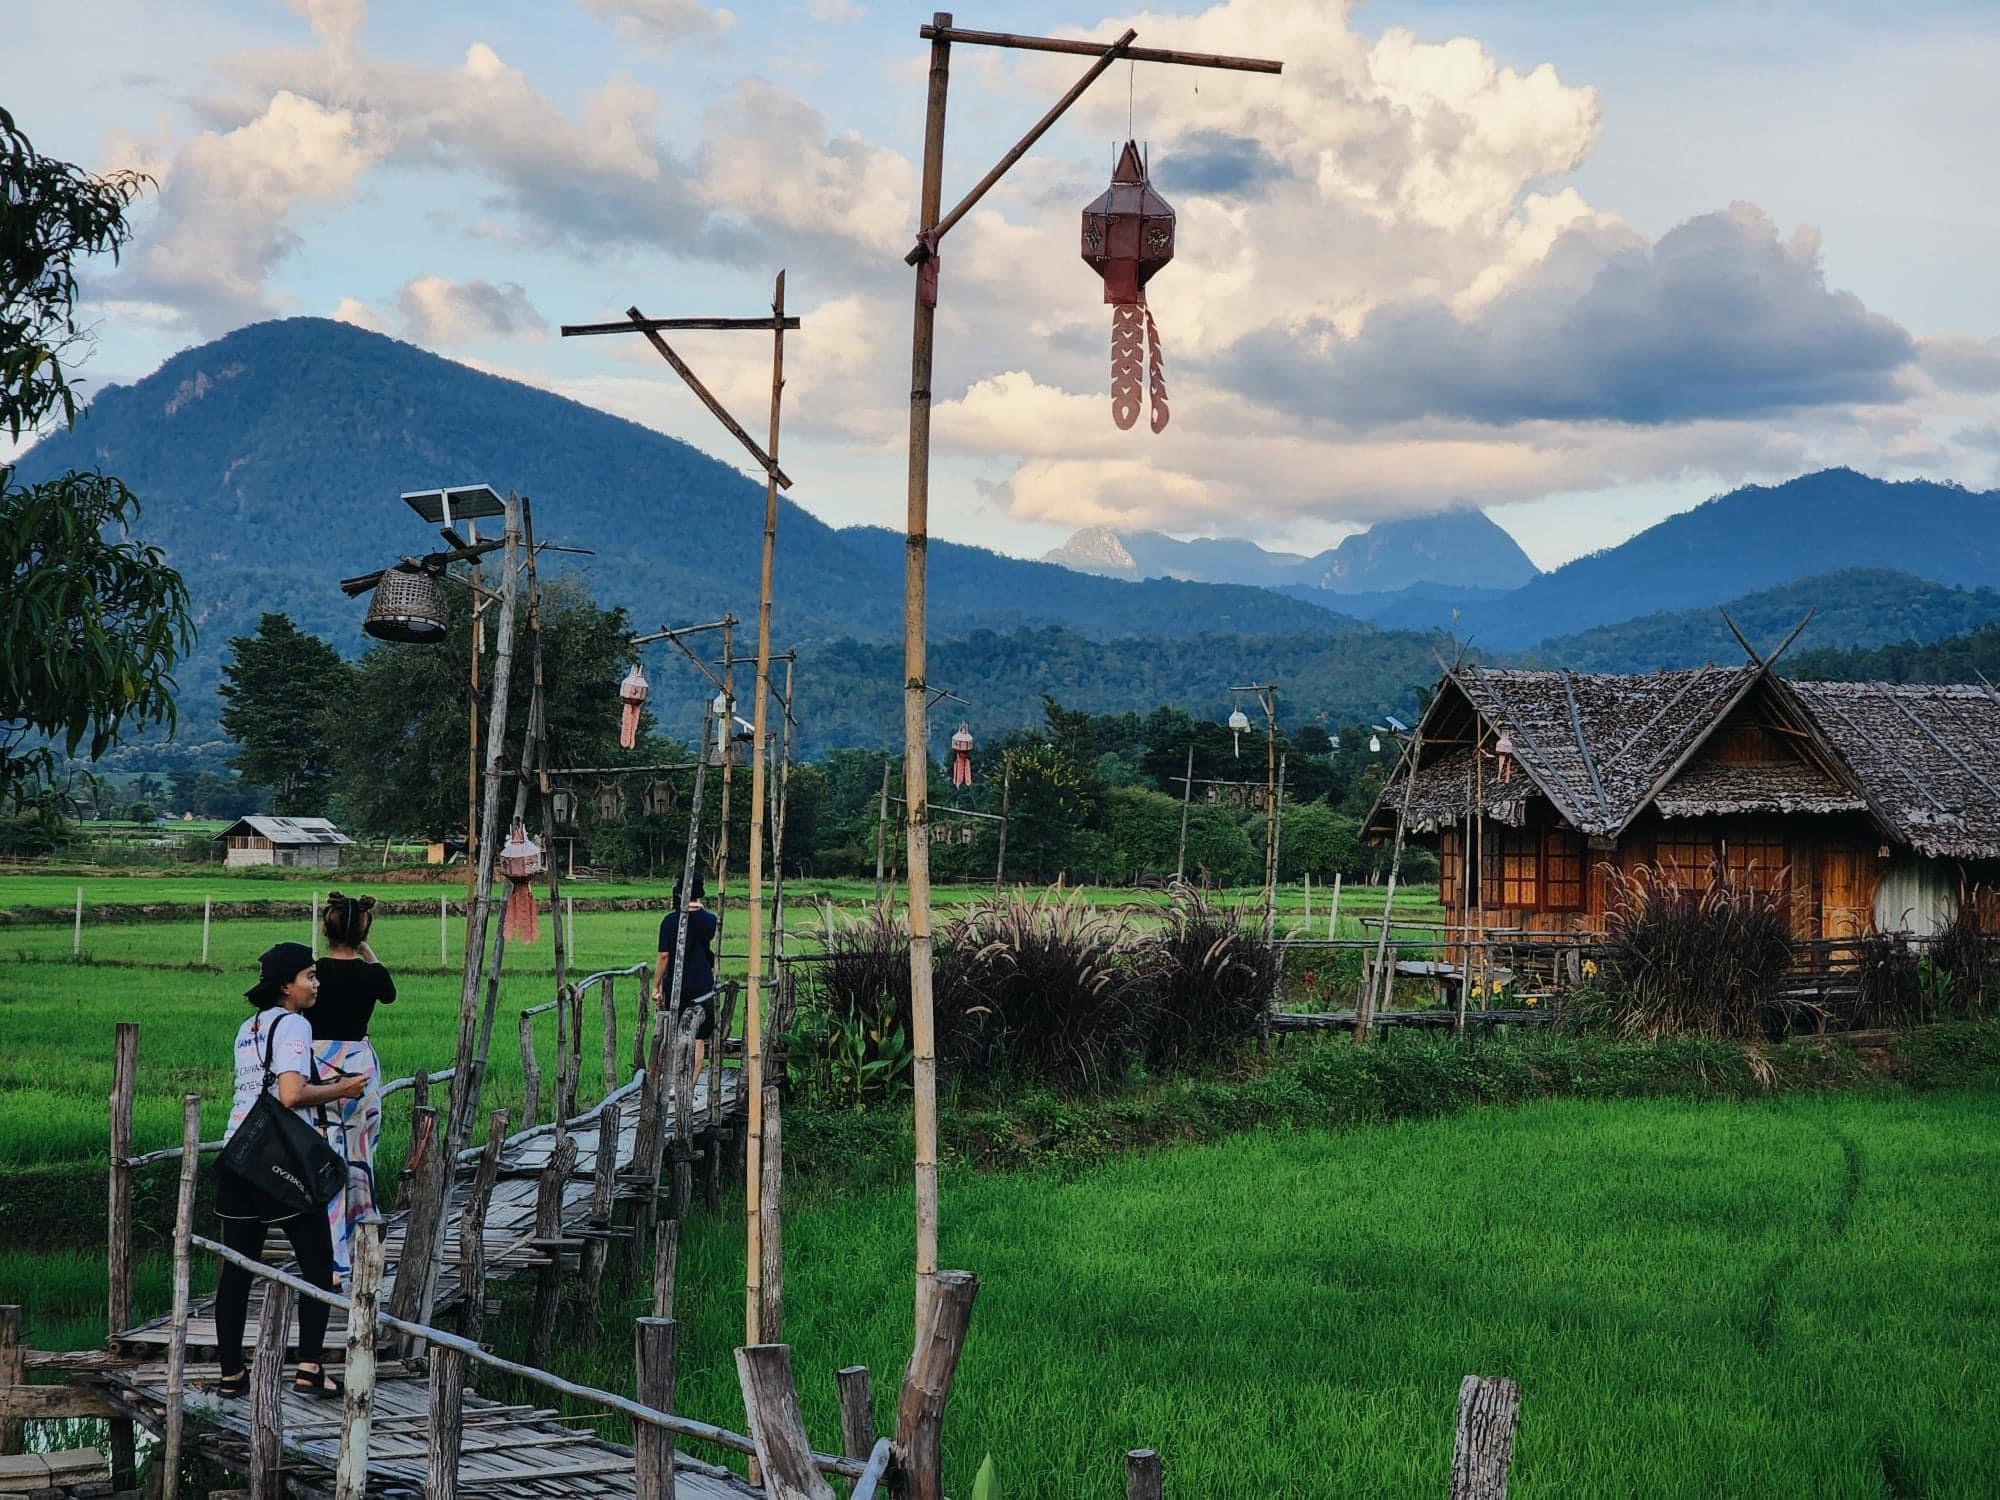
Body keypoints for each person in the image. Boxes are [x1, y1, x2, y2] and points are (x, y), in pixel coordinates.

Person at [214, 942, 365, 1401]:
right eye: (310, 977)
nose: (316, 984)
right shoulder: (296, 1024)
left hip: (238, 1153)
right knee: (318, 1264)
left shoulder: (249, 1026)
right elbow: (290, 1095)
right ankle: (310, 1367)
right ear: (286, 986)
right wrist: (344, 1087)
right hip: (279, 1163)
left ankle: (230, 1375)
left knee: (237, 1267)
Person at [311, 892, 396, 1285]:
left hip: (317, 1068)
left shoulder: (311, 973)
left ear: (325, 929)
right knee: (359, 1155)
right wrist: (366, 948)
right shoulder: (371, 975)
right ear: (363, 930)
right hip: (359, 1070)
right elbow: (389, 992)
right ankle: (359, 1239)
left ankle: (325, 1250)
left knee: (320, 1155)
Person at [653, 877, 719, 1077]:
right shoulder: (711, 920)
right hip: (703, 987)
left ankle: (674, 1084)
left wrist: (656, 986)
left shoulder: (669, 921)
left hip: (675, 986)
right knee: (698, 1039)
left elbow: (664, 956)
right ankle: (689, 1089)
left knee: (676, 1036)